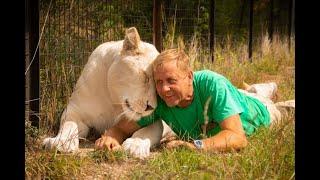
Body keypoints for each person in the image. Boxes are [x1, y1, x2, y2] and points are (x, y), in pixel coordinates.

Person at [95, 48, 294, 152]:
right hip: (238, 97)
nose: (164, 89)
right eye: (159, 82)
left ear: (190, 76)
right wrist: (111, 138)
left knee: (282, 107)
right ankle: (259, 88)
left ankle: (266, 89)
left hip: (264, 113)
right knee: (246, 92)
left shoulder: (211, 83)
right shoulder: (160, 100)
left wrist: (196, 145)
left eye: (171, 81)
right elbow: (122, 128)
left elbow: (238, 138)